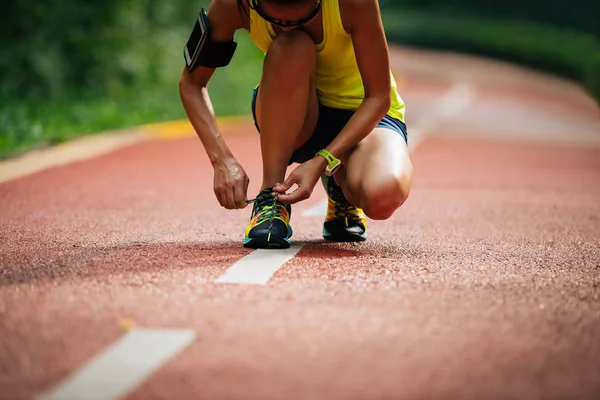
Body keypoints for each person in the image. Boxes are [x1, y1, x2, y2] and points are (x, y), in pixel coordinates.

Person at [179, 0, 413, 249]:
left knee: (383, 195)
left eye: (301, 18)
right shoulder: (233, 4)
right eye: (276, 22)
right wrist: (222, 160)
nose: (286, 27)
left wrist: (323, 159)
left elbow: (378, 98)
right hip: (294, 113)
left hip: (364, 117)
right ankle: (271, 197)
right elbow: (192, 84)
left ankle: (340, 186)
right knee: (293, 44)